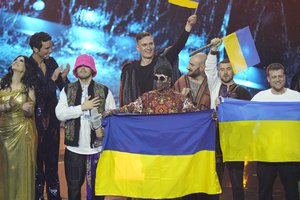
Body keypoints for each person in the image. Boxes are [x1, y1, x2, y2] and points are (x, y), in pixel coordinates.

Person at [55, 54, 116, 200]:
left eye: (86, 65)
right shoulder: (67, 90)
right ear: (76, 70)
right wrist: (82, 107)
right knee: (74, 190)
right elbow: (60, 114)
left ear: (92, 69)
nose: (83, 68)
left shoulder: (104, 90)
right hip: (73, 150)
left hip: (97, 150)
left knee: (97, 191)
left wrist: (104, 131)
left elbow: (112, 118)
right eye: (79, 66)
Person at [205, 38, 252, 200]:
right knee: (215, 180)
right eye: (222, 69)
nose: (225, 72)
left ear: (234, 71)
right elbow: (209, 68)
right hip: (216, 139)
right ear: (218, 72)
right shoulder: (214, 87)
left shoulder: (244, 92)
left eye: (228, 69)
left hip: (235, 141)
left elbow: (249, 117)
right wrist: (214, 50)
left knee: (237, 182)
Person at [119, 14, 197, 106]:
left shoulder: (164, 59)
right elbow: (124, 96)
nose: (148, 47)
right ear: (138, 47)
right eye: (144, 45)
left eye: (151, 44)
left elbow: (178, 45)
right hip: (138, 115)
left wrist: (188, 26)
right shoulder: (130, 69)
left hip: (162, 112)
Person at [29, 31, 70, 200]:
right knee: (37, 165)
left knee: (52, 163)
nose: (50, 51)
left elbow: (62, 87)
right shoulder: (27, 65)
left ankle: (55, 197)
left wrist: (64, 79)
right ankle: (37, 196)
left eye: (51, 47)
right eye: (46, 48)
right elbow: (35, 95)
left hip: (52, 122)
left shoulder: (51, 61)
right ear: (35, 48)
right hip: (34, 121)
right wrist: (52, 80)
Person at [251, 63, 300, 200]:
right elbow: (246, 120)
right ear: (268, 79)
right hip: (266, 154)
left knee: (292, 192)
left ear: (285, 77)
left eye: (280, 76)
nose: (277, 79)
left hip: (289, 155)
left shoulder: (297, 97)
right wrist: (224, 105)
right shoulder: (259, 98)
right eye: (274, 77)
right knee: (264, 193)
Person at [0, 55, 38, 200]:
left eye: (21, 61)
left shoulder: (28, 88)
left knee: (19, 170)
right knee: (5, 170)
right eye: (16, 59)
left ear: (26, 68)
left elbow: (31, 112)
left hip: (22, 133)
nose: (16, 61)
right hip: (3, 132)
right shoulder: (1, 83)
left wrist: (26, 109)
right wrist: (6, 106)